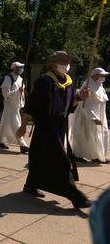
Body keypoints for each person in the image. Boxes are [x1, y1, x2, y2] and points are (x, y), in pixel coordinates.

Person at [17, 50, 91, 208]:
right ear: (53, 64)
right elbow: (32, 105)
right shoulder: (44, 81)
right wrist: (23, 125)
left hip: (61, 127)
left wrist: (79, 97)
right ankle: (77, 197)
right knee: (61, 162)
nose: (66, 64)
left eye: (67, 61)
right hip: (45, 127)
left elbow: (69, 106)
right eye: (62, 61)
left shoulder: (69, 83)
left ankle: (30, 185)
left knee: (39, 157)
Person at [69, 67, 110, 163]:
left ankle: (97, 156)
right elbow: (85, 104)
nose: (103, 77)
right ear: (95, 75)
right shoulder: (88, 86)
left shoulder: (99, 86)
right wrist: (93, 117)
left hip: (99, 115)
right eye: (102, 75)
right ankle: (78, 155)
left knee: (98, 135)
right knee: (85, 136)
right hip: (87, 116)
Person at [0, 62, 29, 154]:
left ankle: (0, 141)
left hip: (17, 105)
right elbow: (5, 94)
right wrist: (17, 91)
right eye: (19, 67)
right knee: (16, 123)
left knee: (5, 121)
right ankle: (22, 145)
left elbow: (21, 94)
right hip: (10, 105)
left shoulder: (20, 79)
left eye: (22, 67)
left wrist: (22, 102)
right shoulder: (8, 78)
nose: (21, 69)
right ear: (14, 68)